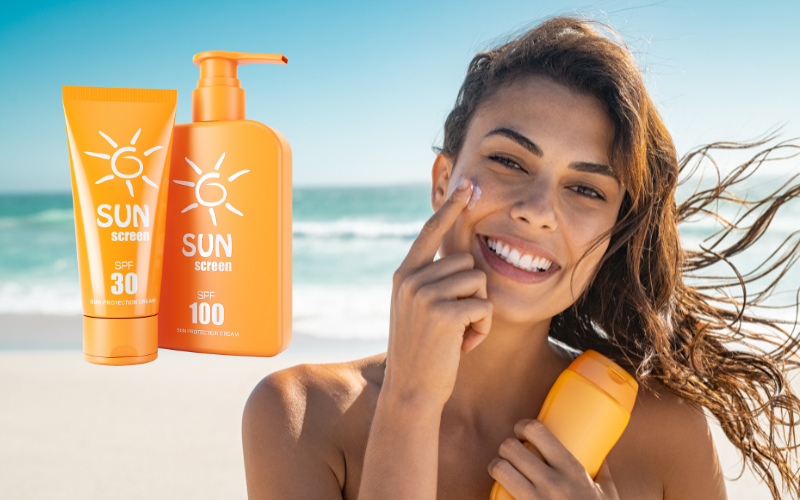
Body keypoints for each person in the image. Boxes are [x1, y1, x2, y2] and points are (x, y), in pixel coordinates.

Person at [241, 16, 800, 500]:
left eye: (586, 190)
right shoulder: (299, 416)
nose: (538, 211)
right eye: (509, 161)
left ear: (612, 232)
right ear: (443, 182)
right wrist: (409, 404)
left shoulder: (667, 432)